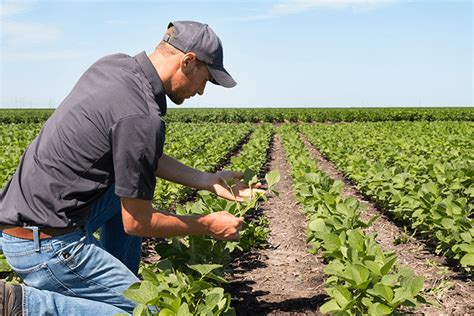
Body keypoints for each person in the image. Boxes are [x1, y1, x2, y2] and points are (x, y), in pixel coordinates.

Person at [0, 20, 257, 315]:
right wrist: (207, 225)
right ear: (188, 62)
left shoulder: (115, 66)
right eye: (206, 79)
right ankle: (24, 305)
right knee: (148, 310)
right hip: (46, 246)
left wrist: (208, 180)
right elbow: (137, 223)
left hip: (26, 221)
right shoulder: (142, 117)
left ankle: (112, 284)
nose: (201, 91)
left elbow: (138, 156)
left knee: (125, 191)